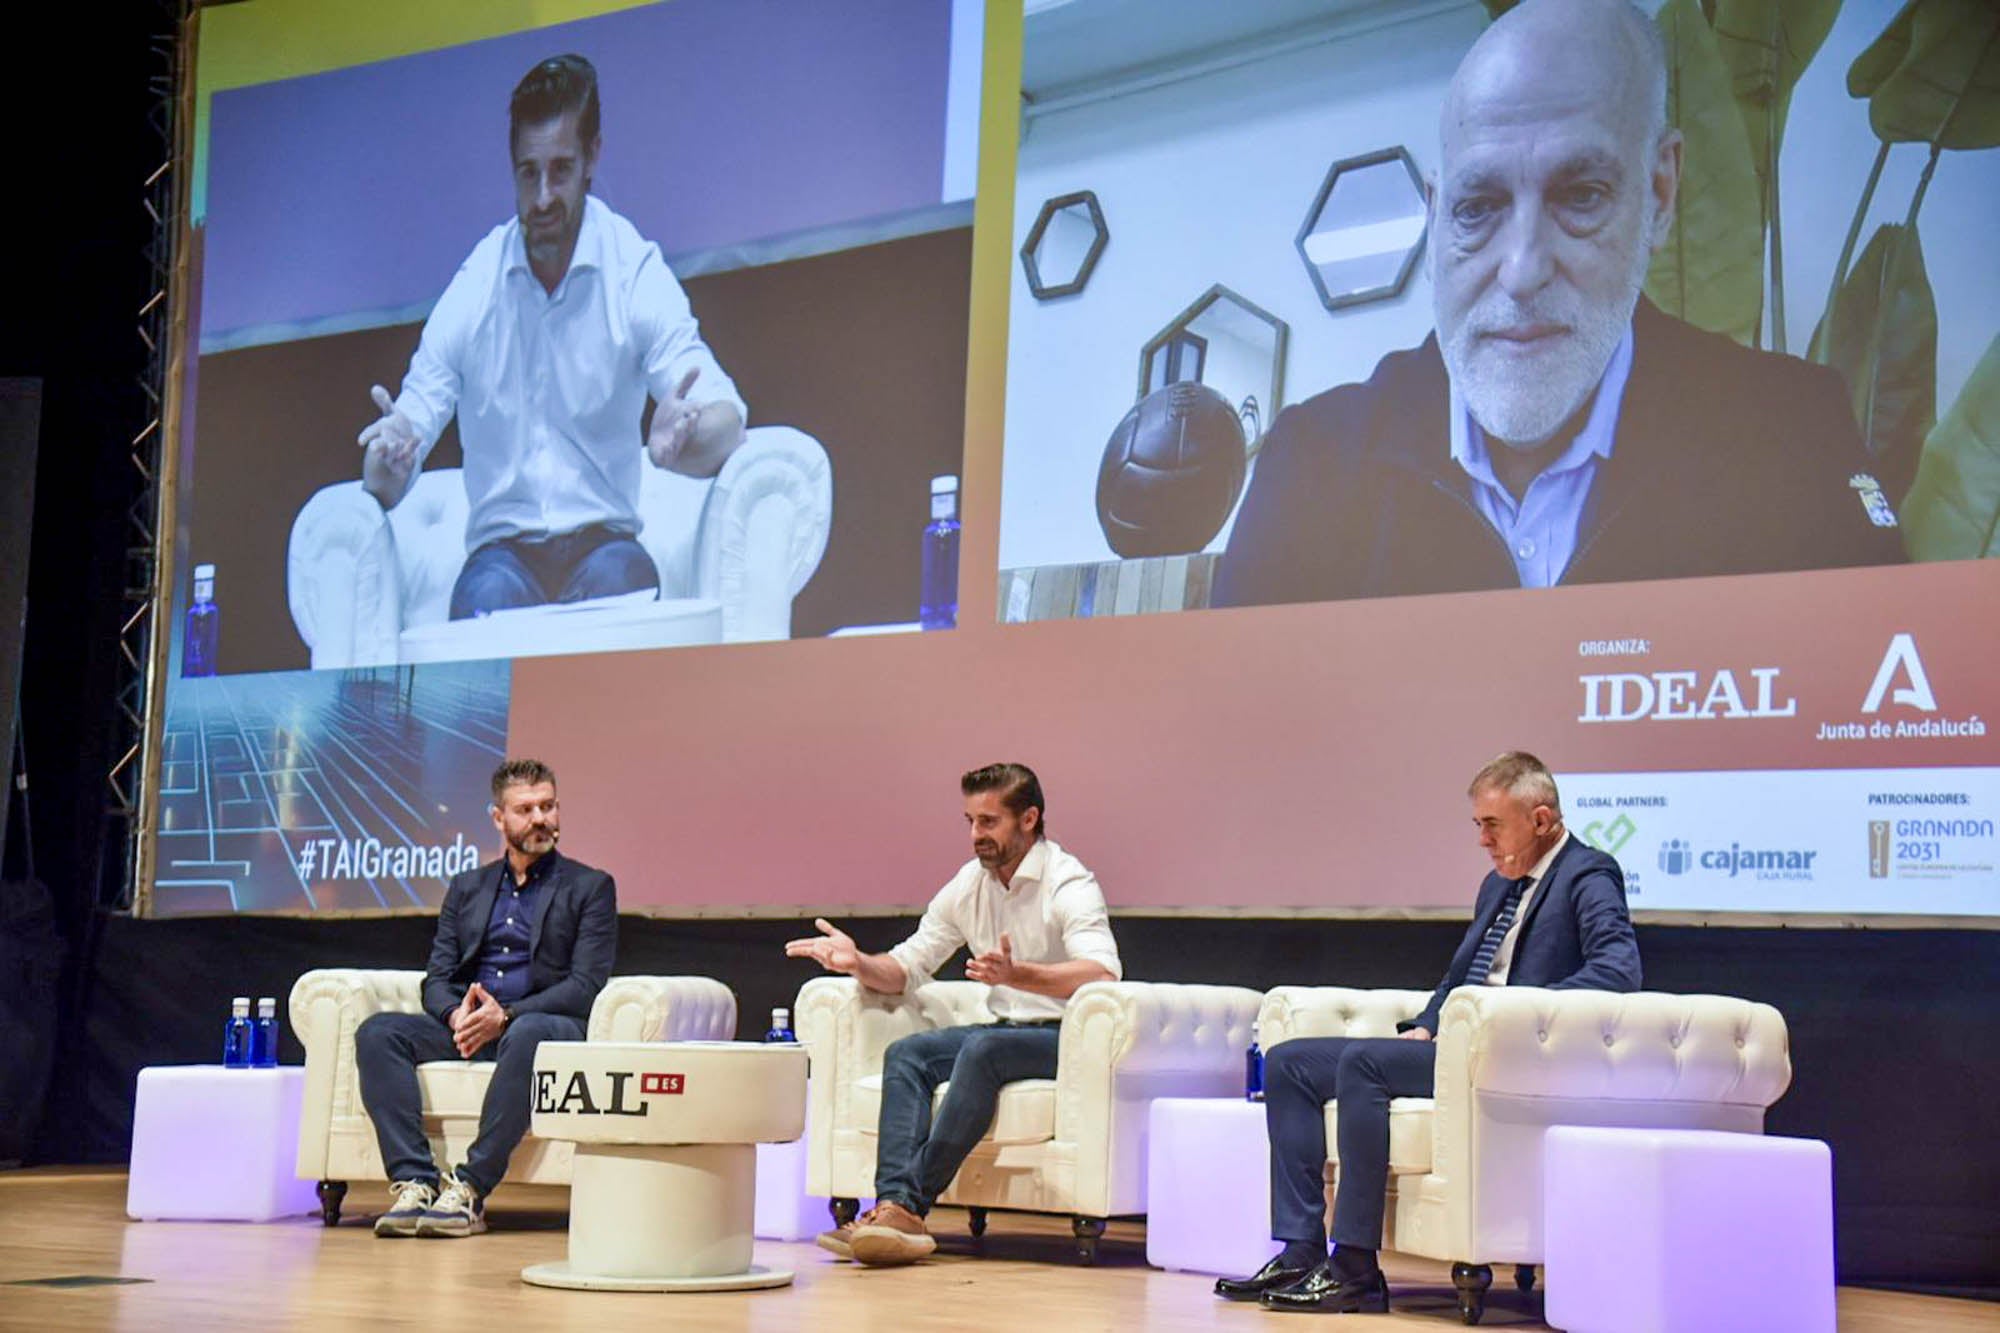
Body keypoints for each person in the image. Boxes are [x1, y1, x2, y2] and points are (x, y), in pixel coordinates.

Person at [1212, 0, 1904, 610]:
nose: (1520, 271)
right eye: (1478, 208)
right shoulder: (1310, 467)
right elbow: (1237, 740)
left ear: (1659, 196)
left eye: (1580, 197)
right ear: (1435, 215)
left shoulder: (1791, 435)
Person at [1215, 751, 1640, 1312]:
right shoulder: (1498, 886)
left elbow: (1618, 969)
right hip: (1456, 1044)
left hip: (1507, 1053)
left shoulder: (1588, 872)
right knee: (1290, 1060)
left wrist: (1502, 1011)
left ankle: (1355, 1268)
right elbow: (1460, 976)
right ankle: (1300, 1251)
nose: (1482, 840)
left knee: (1363, 1065)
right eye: (1478, 825)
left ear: (1541, 820)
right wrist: (1429, 1023)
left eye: (1493, 825)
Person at [356, 54, 747, 620]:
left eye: (560, 170)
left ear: (593, 157)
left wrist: (684, 443)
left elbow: (726, 419)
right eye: (527, 173)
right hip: (499, 557)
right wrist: (388, 458)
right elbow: (395, 459)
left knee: (623, 586)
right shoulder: (475, 285)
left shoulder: (632, 270)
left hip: (604, 546)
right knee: (486, 600)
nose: (542, 199)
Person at [784, 763, 1123, 1266]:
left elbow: (1102, 974)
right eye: (969, 821)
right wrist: (859, 964)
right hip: (1005, 1030)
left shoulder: (1067, 881)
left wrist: (1018, 975)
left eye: (989, 822)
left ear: (1028, 818)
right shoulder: (971, 883)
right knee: (908, 1053)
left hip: (1064, 1036)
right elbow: (907, 966)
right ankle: (894, 1204)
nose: (975, 835)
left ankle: (909, 1206)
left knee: (984, 1048)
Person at [354, 758, 617, 1237]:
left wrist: (508, 1015)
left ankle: (471, 1189)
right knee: (379, 1032)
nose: (541, 819)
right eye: (526, 809)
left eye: (548, 806)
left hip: (543, 1024)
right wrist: (457, 1015)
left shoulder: (590, 887)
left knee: (529, 1032)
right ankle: (414, 1181)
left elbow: (585, 985)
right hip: (475, 1026)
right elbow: (435, 978)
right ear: (498, 818)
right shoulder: (468, 887)